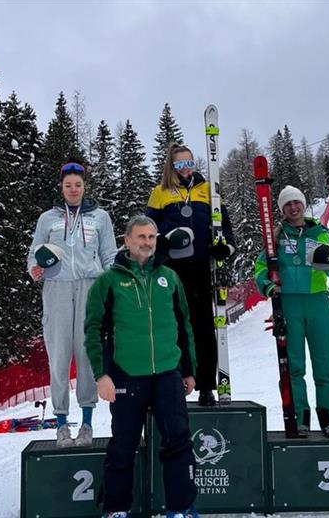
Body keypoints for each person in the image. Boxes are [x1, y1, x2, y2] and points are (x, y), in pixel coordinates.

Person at [84, 215, 199, 518]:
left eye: (151, 237)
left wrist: (188, 370)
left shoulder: (169, 278)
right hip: (125, 376)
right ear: (127, 241)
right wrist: (102, 374)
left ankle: (182, 508)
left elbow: (184, 325)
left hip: (166, 374)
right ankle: (116, 509)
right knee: (123, 446)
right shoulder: (108, 281)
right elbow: (93, 330)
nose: (147, 242)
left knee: (178, 443)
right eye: (141, 237)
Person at [27, 158, 117, 447]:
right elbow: (34, 254)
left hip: (90, 287)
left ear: (84, 185)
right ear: (62, 186)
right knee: (59, 354)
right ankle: (62, 423)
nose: (73, 190)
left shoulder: (100, 217)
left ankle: (87, 423)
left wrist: (112, 285)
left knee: (88, 353)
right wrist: (35, 269)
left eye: (78, 185)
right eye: (68, 185)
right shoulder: (47, 218)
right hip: (56, 288)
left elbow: (110, 255)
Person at [254, 185, 329, 439]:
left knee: (325, 365)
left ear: (303, 205)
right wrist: (268, 285)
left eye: (297, 202)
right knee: (293, 366)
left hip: (318, 303)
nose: (294, 208)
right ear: (282, 209)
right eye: (288, 204)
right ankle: (298, 420)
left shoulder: (319, 232)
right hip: (289, 304)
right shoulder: (277, 236)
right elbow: (261, 267)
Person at [146, 142, 235, 406]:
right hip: (171, 270)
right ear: (170, 166)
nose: (185, 169)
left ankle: (206, 385)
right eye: (179, 164)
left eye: (189, 163)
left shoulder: (208, 190)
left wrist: (224, 247)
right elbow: (147, 230)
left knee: (203, 328)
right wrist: (163, 243)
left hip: (200, 268)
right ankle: (175, 382)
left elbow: (225, 226)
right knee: (172, 327)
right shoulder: (160, 193)